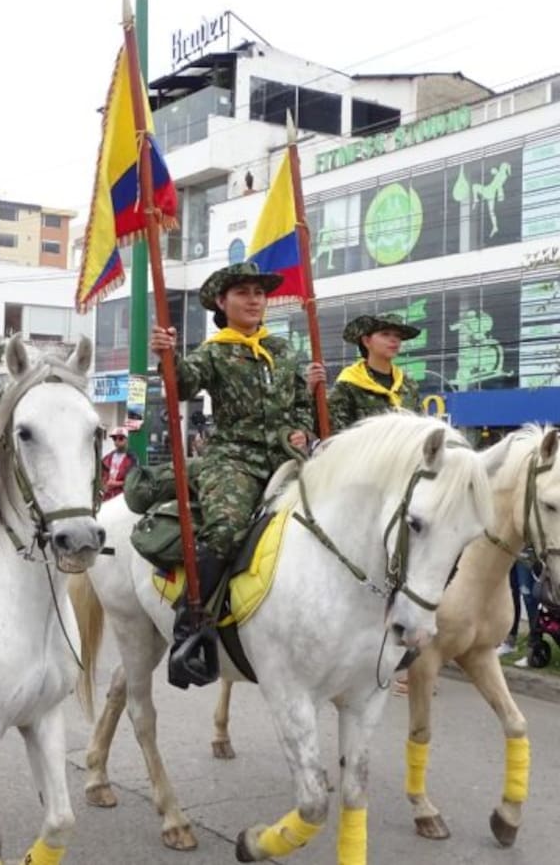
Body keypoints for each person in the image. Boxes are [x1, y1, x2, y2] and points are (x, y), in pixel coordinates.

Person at [150, 260, 322, 689]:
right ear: (222, 303)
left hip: (286, 456)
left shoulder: (282, 351)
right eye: (243, 293)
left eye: (259, 293)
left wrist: (305, 425)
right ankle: (191, 625)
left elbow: (300, 407)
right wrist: (166, 356)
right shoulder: (213, 351)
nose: (254, 300)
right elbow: (183, 386)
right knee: (227, 529)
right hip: (233, 459)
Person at [322, 314, 422, 431]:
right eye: (385, 334)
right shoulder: (349, 384)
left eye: (398, 336)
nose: (394, 340)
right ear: (367, 341)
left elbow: (421, 427)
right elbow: (336, 431)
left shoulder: (408, 385)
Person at [101, 427, 137, 500]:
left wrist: (116, 483)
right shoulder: (107, 458)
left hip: (122, 499)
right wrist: (103, 486)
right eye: (114, 438)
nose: (117, 441)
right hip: (106, 498)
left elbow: (133, 481)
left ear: (127, 440)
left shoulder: (132, 460)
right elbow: (101, 476)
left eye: (120, 438)